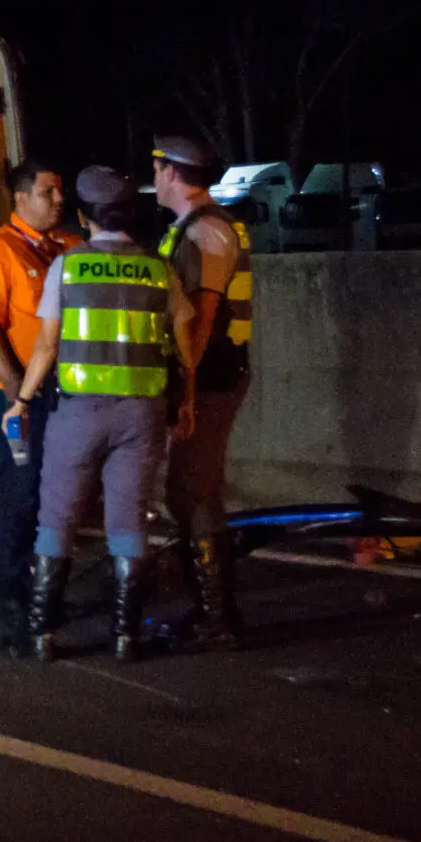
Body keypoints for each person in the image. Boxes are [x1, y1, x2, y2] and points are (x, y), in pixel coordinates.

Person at [2, 166, 195, 662]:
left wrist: (21, 400)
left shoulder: (69, 267)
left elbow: (46, 346)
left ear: (86, 218)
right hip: (142, 412)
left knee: (57, 519)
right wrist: (187, 398)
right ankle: (125, 636)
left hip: (79, 413)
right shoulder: (158, 268)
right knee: (129, 522)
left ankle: (42, 635)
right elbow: (183, 340)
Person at [0, 160, 80, 643]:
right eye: (49, 191)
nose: (59, 200)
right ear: (22, 197)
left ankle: (47, 586)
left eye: (60, 191)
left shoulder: (70, 249)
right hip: (20, 397)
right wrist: (16, 390)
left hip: (71, 394)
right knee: (21, 491)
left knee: (60, 496)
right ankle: (13, 591)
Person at [151, 134, 255, 649]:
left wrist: (186, 394)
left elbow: (202, 317)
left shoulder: (206, 232)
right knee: (190, 490)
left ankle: (218, 619)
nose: (152, 177)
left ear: (171, 172)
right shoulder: (198, 228)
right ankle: (210, 613)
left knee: (194, 491)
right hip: (210, 373)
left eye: (155, 167)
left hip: (210, 375)